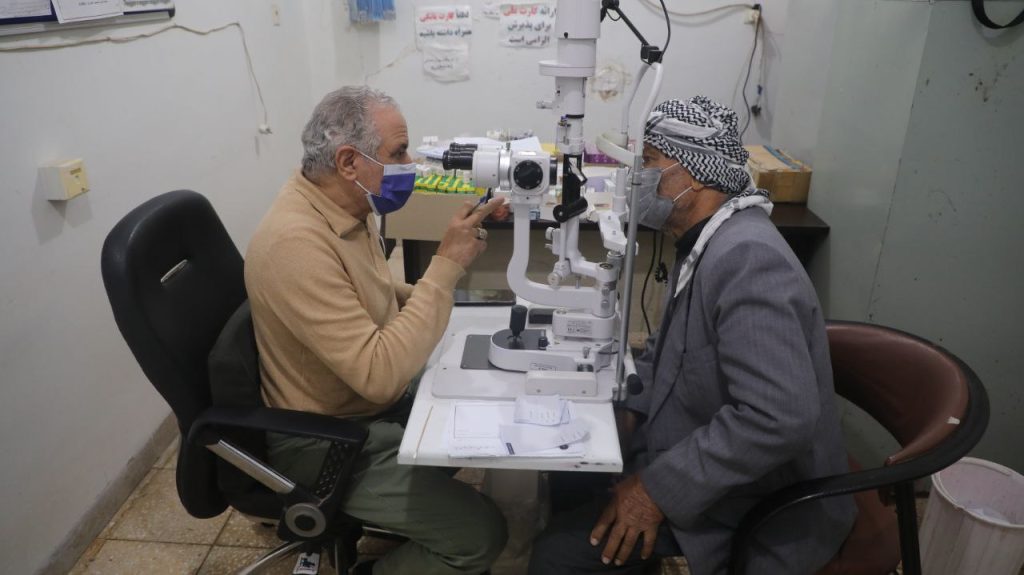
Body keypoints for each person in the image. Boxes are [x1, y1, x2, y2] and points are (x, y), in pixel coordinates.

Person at [528, 96, 855, 575]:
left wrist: (655, 491)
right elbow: (670, 347)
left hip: (754, 500)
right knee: (569, 472)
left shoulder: (748, 259)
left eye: (650, 163)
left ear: (694, 174)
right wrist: (631, 410)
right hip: (692, 444)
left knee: (558, 555)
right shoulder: (707, 241)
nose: (638, 177)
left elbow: (778, 417)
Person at [245, 86, 508, 575]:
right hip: (327, 442)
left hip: (360, 405)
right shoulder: (296, 243)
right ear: (349, 162)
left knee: (475, 396)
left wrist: (444, 289)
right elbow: (380, 377)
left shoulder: (346, 207)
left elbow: (377, 294)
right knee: (480, 536)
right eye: (399, 152)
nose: (412, 165)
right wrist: (445, 268)